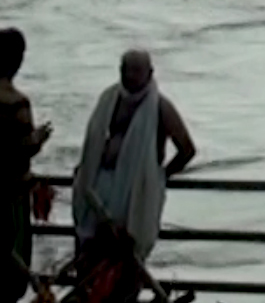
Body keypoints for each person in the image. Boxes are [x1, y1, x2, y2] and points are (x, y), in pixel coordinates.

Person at [71, 52, 192, 301]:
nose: (130, 75)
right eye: (125, 69)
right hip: (97, 196)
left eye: (136, 70)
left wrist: (157, 178)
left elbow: (187, 150)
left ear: (150, 73)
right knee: (89, 263)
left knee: (127, 265)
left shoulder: (160, 107)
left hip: (135, 200)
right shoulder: (109, 100)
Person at [0, 28, 52, 303]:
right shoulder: (16, 101)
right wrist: (38, 139)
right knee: (11, 272)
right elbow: (22, 150)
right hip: (10, 196)